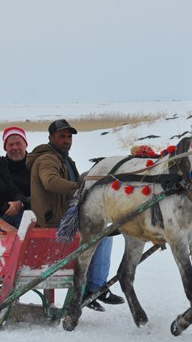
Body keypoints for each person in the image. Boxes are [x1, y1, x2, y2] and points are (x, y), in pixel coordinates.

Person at [27, 119, 124, 311]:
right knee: (102, 236)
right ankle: (94, 288)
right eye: (61, 136)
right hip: (54, 223)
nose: (66, 140)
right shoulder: (47, 159)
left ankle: (93, 286)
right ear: (51, 138)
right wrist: (80, 187)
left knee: (104, 232)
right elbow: (50, 182)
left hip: (64, 218)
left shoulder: (64, 159)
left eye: (69, 136)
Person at [0, 126, 31, 209]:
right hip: (8, 212)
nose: (15, 148)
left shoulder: (36, 164)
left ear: (26, 144)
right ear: (5, 148)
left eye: (18, 143)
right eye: (11, 145)